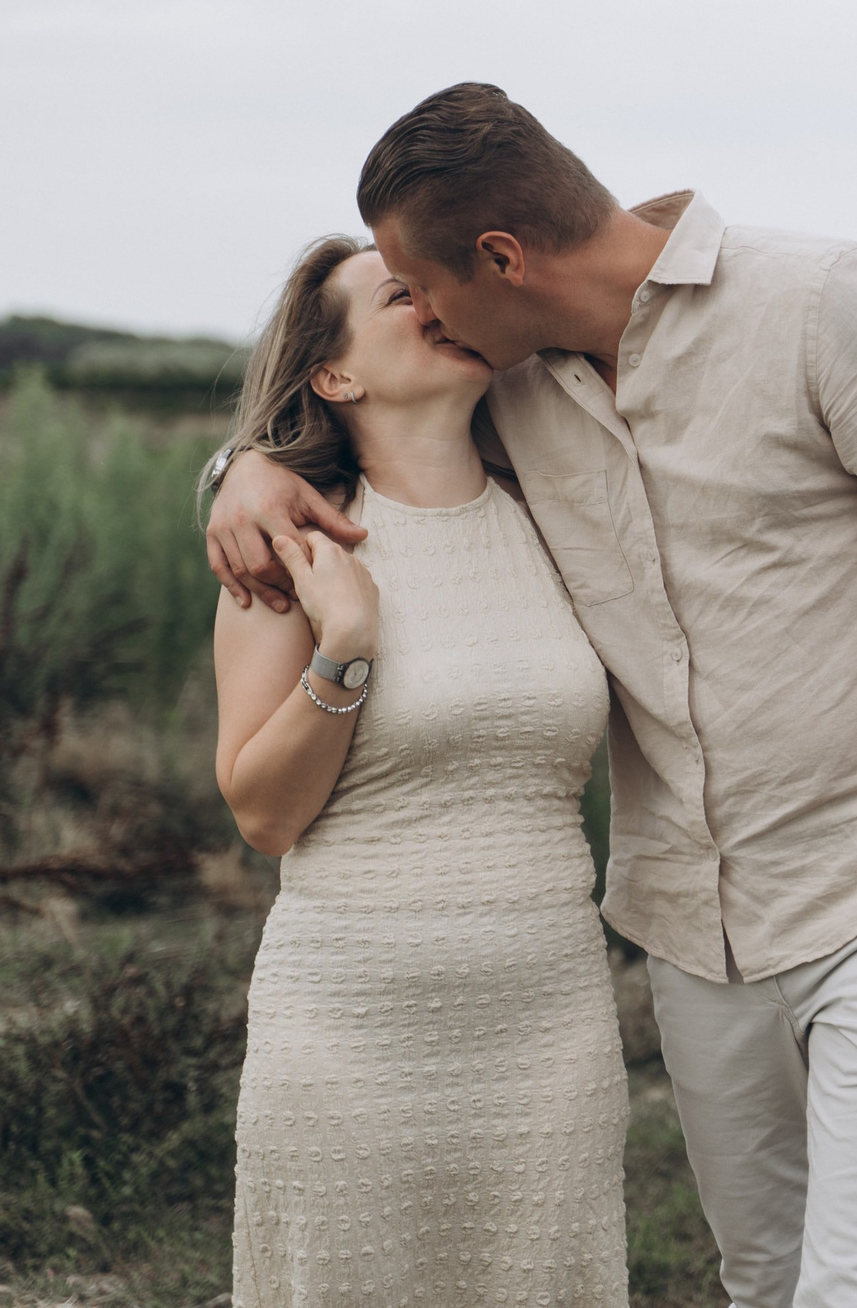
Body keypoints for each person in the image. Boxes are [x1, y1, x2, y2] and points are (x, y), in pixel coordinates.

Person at [207, 83, 857, 1308]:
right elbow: (364, 438)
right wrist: (240, 466)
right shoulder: (514, 388)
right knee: (764, 1277)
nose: (431, 315)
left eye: (425, 285)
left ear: (499, 259)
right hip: (692, 924)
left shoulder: (824, 305)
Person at [211, 236, 627, 1308]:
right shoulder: (288, 552)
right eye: (401, 294)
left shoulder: (560, 516)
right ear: (334, 375)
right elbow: (262, 813)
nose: (435, 303)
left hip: (547, 1026)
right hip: (350, 1029)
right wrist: (345, 649)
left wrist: (229, 462)